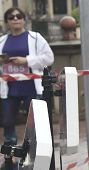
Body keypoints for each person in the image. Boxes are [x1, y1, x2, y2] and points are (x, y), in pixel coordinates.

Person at [1, 8, 54, 146]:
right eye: (11, 17)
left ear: (24, 19)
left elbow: (49, 58)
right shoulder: (2, 41)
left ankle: (36, 157)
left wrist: (26, 60)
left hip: (31, 87)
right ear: (7, 22)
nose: (15, 19)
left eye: (19, 16)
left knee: (36, 124)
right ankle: (9, 161)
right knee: (7, 123)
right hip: (9, 88)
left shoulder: (35, 38)